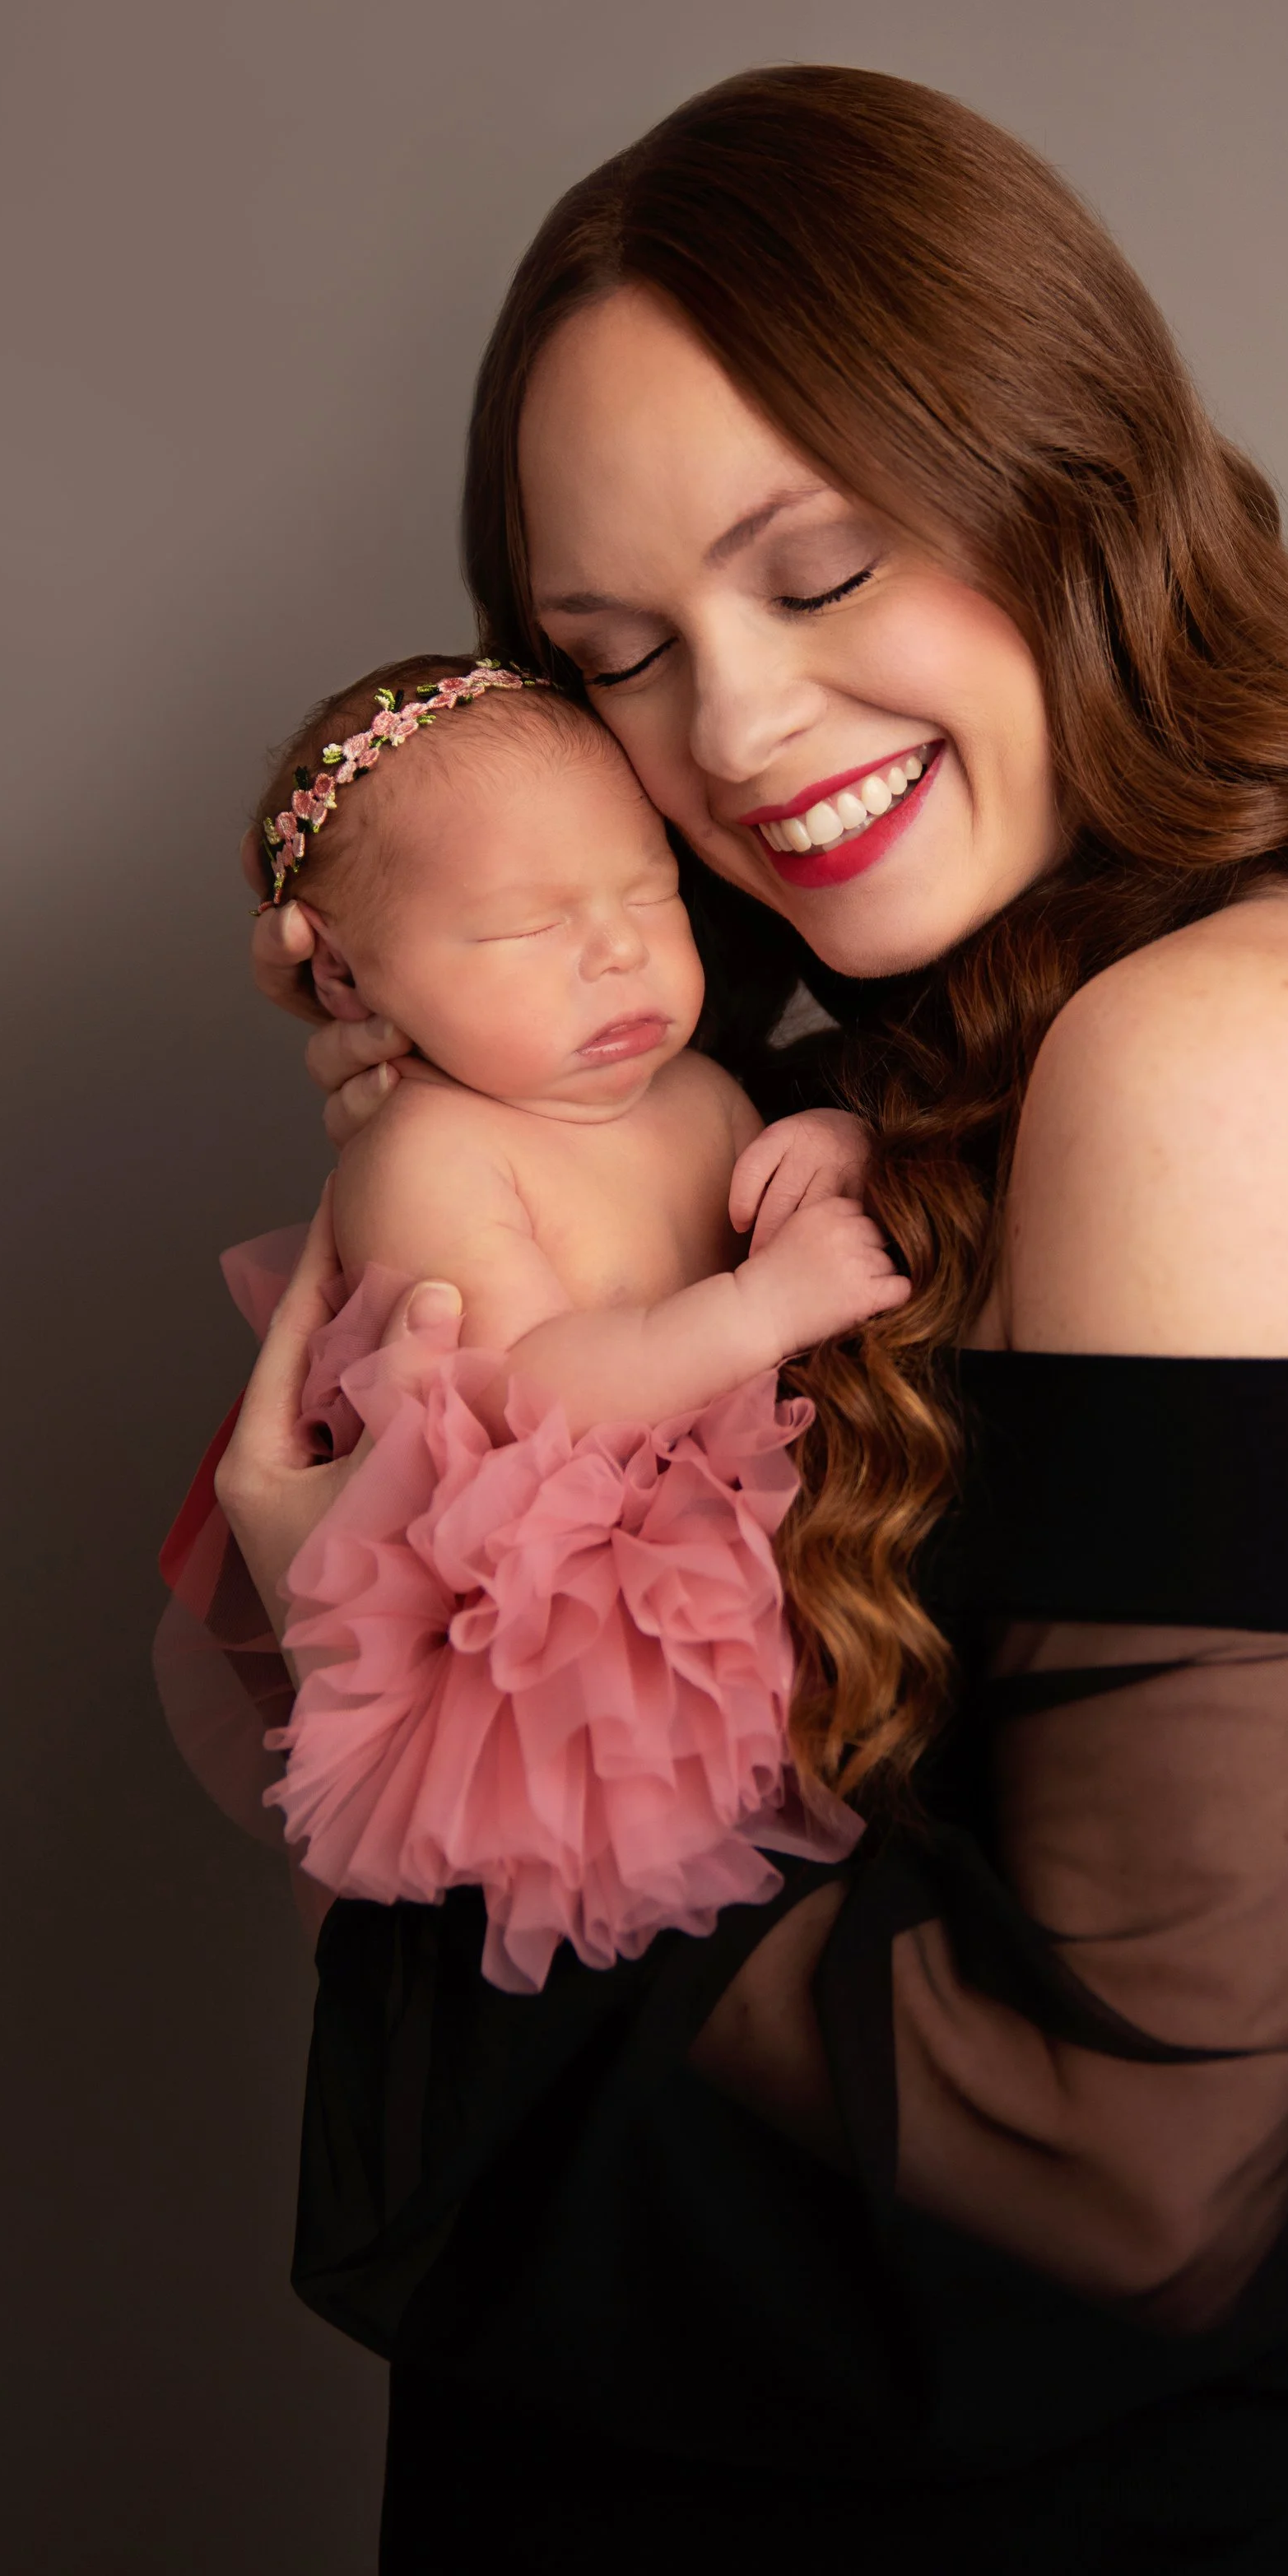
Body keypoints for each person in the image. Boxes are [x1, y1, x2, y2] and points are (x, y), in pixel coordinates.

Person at [214, 67, 1288, 2576]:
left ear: (1067, 486)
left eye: (819, 570)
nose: (730, 732)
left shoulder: (1218, 1055)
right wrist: (488, 1118)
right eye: (616, 658)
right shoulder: (898, 1083)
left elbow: (1112, 2176)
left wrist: (379, 1619)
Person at [224, 649, 903, 1991]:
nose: (617, 949)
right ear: (349, 981)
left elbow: (786, 1228)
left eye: (649, 892)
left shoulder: (696, 1088)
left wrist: (833, 1147)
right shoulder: (428, 1148)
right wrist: (761, 1302)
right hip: (568, 1623)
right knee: (694, 1949)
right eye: (524, 928)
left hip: (765, 1535)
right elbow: (531, 1389)